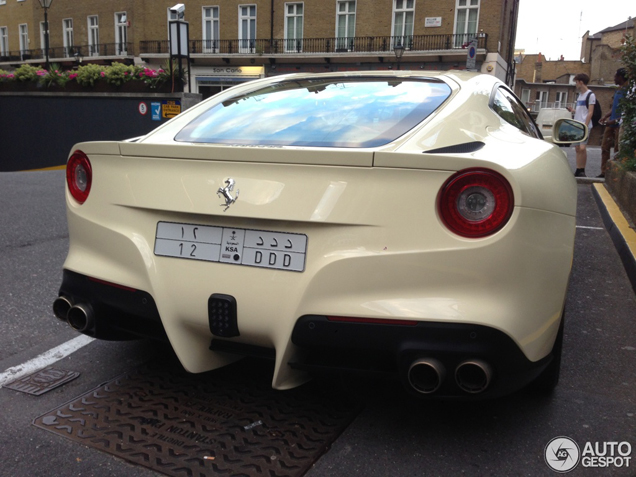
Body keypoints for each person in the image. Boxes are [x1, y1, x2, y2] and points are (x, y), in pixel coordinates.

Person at [599, 68, 628, 178]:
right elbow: (615, 107)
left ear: (620, 77)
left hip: (619, 125)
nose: (614, 78)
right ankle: (604, 172)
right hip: (611, 123)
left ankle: (615, 174)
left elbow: (627, 112)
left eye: (615, 76)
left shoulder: (628, 91)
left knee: (617, 150)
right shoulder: (618, 89)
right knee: (604, 147)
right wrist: (606, 116)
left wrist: (614, 120)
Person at [567, 73, 596, 177]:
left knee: (582, 148)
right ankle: (578, 169)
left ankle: (582, 169)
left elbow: (590, 112)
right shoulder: (580, 96)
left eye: (576, 82)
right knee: (577, 148)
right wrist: (573, 110)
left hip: (584, 125)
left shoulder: (590, 94)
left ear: (581, 82)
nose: (575, 84)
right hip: (577, 125)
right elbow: (581, 110)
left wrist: (585, 125)